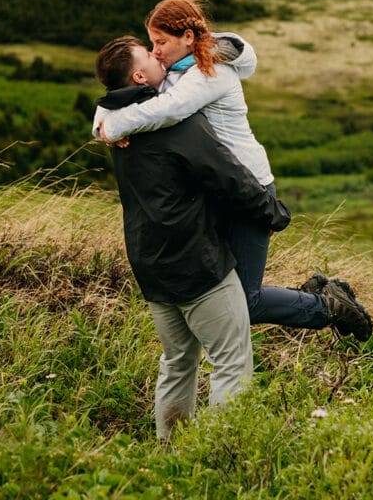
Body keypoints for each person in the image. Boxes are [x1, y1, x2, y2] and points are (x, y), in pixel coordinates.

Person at [94, 0, 373, 339]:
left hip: (247, 189)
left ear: (187, 38)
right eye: (151, 43)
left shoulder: (210, 73)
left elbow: (169, 110)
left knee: (243, 301)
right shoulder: (173, 72)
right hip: (217, 189)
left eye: (161, 42)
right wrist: (102, 122)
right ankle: (314, 293)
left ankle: (328, 307)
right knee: (224, 290)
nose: (155, 52)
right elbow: (121, 94)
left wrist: (114, 127)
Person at [94, 35, 292, 440]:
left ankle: (172, 451)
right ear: (139, 75)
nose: (155, 54)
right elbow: (228, 176)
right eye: (148, 54)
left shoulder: (116, 127)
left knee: (177, 361)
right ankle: (222, 454)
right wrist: (273, 212)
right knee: (231, 361)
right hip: (197, 263)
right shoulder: (174, 123)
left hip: (149, 263)